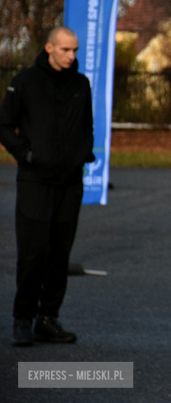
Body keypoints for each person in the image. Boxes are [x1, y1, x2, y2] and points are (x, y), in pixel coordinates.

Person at [0, 27, 95, 346]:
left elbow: (87, 128)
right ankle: (22, 319)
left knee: (59, 254)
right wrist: (26, 154)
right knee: (33, 253)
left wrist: (81, 154)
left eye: (76, 50)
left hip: (69, 183)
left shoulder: (81, 84)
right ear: (49, 48)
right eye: (66, 50)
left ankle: (47, 318)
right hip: (35, 182)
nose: (72, 56)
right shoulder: (25, 82)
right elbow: (4, 124)